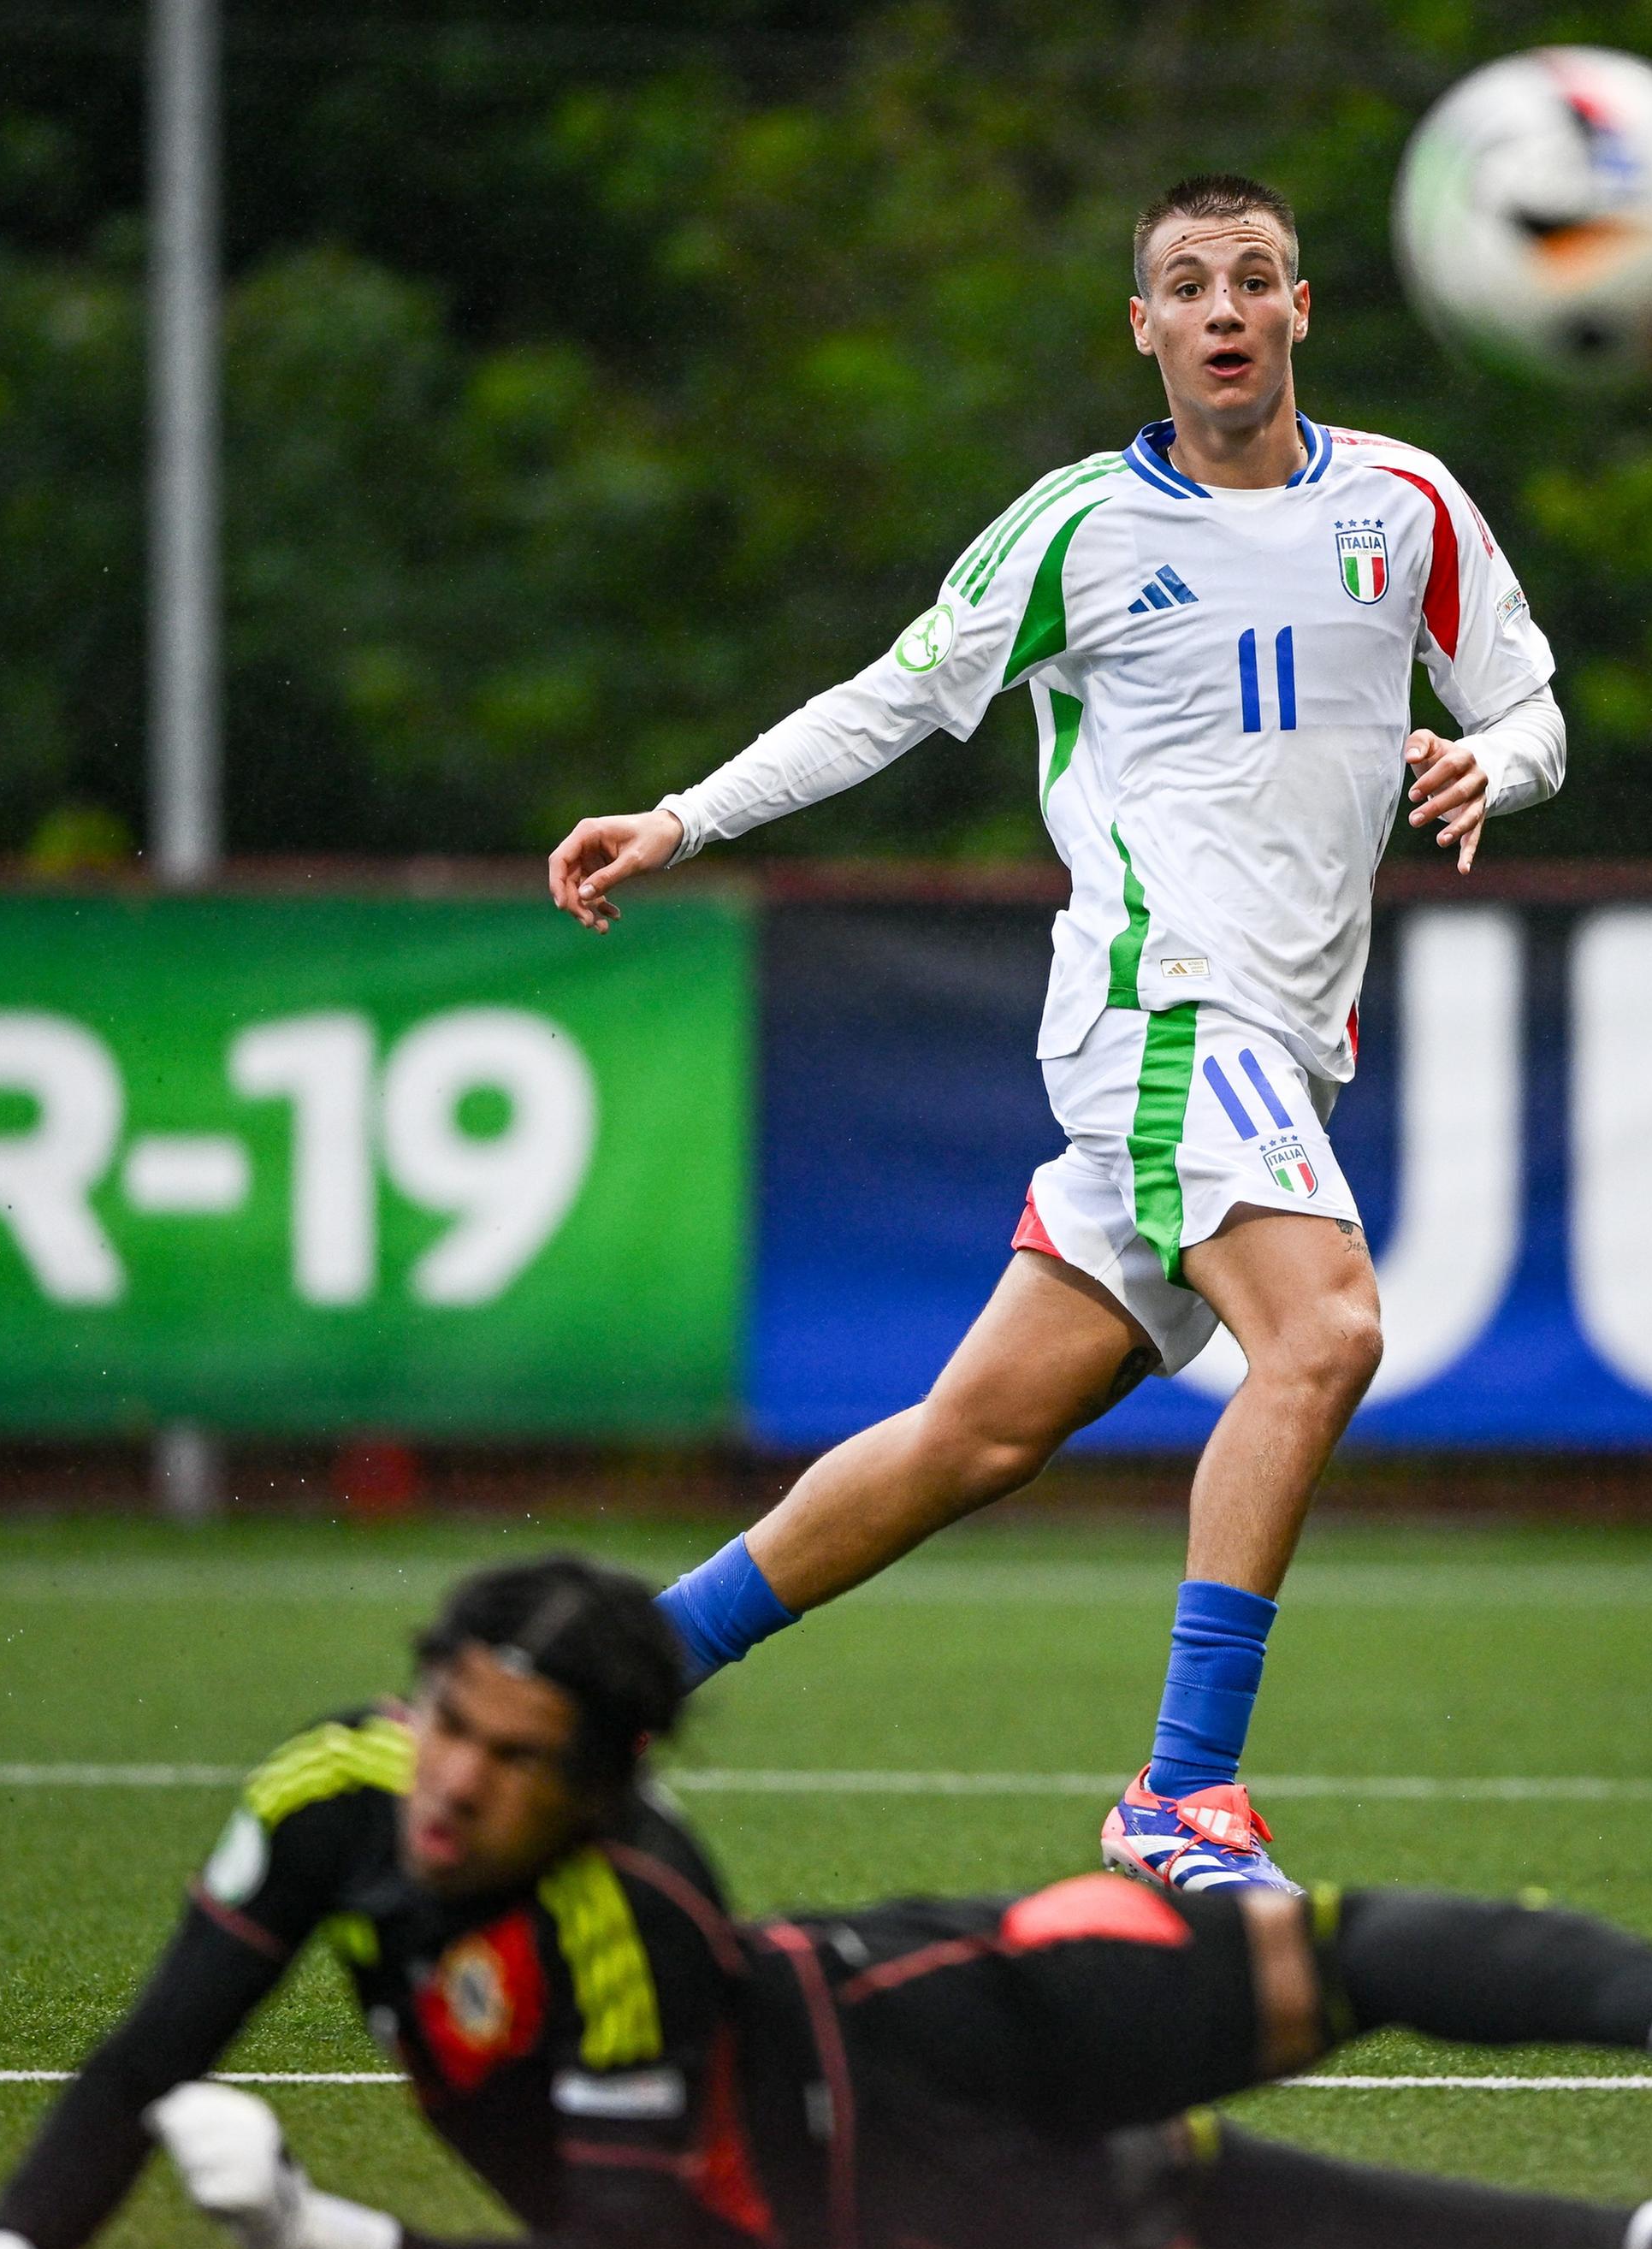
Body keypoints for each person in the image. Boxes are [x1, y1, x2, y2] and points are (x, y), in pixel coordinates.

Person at [548, 174, 1571, 1896]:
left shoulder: (1406, 506)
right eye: (1190, 283)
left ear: (1301, 312)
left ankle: (605, 1681)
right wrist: (684, 819)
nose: (1226, 306)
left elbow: (1527, 696)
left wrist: (1499, 765)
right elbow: (891, 694)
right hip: (1159, 1010)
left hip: (1279, 1038)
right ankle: (1183, 1794)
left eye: (1256, 277)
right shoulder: (1079, 528)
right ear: (1146, 330)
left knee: (975, 1437)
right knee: (1321, 1333)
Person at [0, 1554, 1652, 2249]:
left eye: (510, 1759)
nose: (447, 1786)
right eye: (447, 1721)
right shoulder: (333, 1794)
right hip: (871, 2180)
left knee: (1300, 1945)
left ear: (600, 1785)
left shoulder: (625, 1915)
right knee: (1219, 2199)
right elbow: (152, 2049)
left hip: (894, 2032)